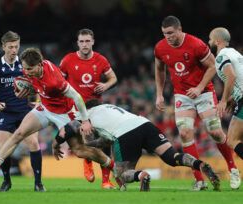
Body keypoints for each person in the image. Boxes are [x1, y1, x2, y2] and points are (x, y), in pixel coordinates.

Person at [0, 48, 116, 185]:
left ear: (39, 65)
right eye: (24, 68)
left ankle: (113, 166)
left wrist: (85, 121)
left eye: (29, 69)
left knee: (79, 150)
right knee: (19, 133)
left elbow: (77, 96)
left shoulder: (55, 80)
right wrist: (30, 96)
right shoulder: (29, 71)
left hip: (64, 113)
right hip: (45, 108)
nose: (25, 72)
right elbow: (35, 86)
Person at [52, 99, 221, 191]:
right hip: (144, 124)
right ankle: (200, 164)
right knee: (171, 157)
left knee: (121, 174)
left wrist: (56, 144)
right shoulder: (111, 107)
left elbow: (66, 130)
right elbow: (106, 138)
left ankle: (142, 176)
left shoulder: (86, 115)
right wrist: (94, 144)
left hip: (125, 133)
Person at [154, 16, 240, 190]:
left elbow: (212, 66)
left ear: (179, 29)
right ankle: (199, 180)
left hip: (205, 93)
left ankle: (233, 169)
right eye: (164, 33)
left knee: (215, 132)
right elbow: (159, 69)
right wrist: (159, 94)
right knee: (185, 133)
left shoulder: (196, 44)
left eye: (170, 33)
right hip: (182, 95)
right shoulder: (160, 47)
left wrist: (200, 87)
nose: (168, 37)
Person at [0, 31, 44, 192]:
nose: (14, 50)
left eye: (16, 46)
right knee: (3, 147)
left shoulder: (24, 65)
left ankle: (38, 183)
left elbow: (37, 83)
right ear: (3, 46)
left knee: (33, 143)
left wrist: (36, 102)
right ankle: (6, 181)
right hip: (6, 112)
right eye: (10, 47)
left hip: (26, 111)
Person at [60, 28, 118, 189]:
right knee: (85, 140)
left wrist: (106, 85)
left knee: (105, 140)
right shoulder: (68, 60)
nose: (85, 44)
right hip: (75, 109)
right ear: (77, 43)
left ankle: (106, 181)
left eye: (87, 41)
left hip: (95, 107)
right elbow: (59, 82)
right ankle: (87, 161)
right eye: (82, 41)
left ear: (93, 41)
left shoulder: (100, 60)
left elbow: (113, 77)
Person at [208, 27, 243, 177]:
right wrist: (232, 98)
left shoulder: (221, 56)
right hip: (240, 98)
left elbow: (232, 76)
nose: (209, 42)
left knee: (232, 140)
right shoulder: (236, 53)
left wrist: (223, 101)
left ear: (217, 41)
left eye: (210, 39)